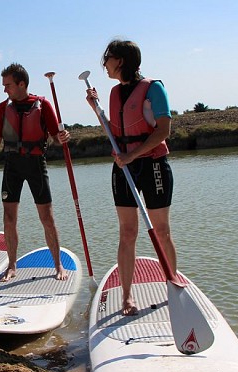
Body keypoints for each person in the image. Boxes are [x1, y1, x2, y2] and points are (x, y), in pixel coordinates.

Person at [85, 39, 177, 316]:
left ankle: (172, 285)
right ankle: (127, 297)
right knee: (127, 233)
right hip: (124, 167)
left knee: (161, 231)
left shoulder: (153, 88)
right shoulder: (114, 93)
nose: (104, 64)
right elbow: (117, 130)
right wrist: (96, 108)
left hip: (153, 164)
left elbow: (163, 131)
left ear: (121, 61)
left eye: (108, 58)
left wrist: (133, 154)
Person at [0, 63, 70, 282]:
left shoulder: (43, 105)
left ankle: (58, 265)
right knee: (9, 218)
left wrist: (61, 138)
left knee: (47, 217)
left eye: (8, 85)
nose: (5, 90)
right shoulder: (4, 108)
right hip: (12, 165)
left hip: (35, 164)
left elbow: (54, 137)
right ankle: (12, 266)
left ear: (21, 84)